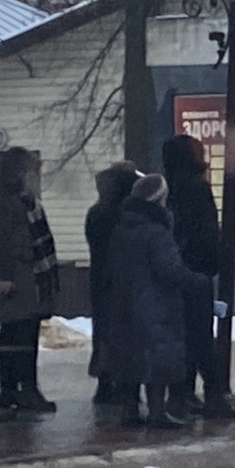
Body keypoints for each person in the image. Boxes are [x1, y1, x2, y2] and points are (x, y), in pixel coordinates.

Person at [109, 173, 215, 429]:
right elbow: (168, 270)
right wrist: (198, 281)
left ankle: (130, 410)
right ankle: (157, 412)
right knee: (157, 359)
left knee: (130, 357)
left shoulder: (122, 229)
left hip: (124, 304)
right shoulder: (157, 232)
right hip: (155, 305)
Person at [161, 135, 235, 420]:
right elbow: (205, 233)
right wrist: (215, 260)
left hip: (179, 271)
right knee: (201, 337)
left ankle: (183, 393)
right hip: (197, 271)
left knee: (186, 335)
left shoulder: (171, 188)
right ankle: (213, 395)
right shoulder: (197, 188)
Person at [0, 147, 59, 417]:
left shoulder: (23, 200)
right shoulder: (2, 201)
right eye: (30, 171)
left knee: (22, 332)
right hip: (18, 277)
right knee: (18, 334)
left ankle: (16, 389)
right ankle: (20, 389)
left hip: (31, 276)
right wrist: (4, 275)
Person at [85, 161, 140, 412]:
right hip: (124, 281)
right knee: (126, 332)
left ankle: (104, 382)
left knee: (104, 330)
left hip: (100, 280)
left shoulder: (96, 213)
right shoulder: (127, 215)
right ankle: (125, 386)